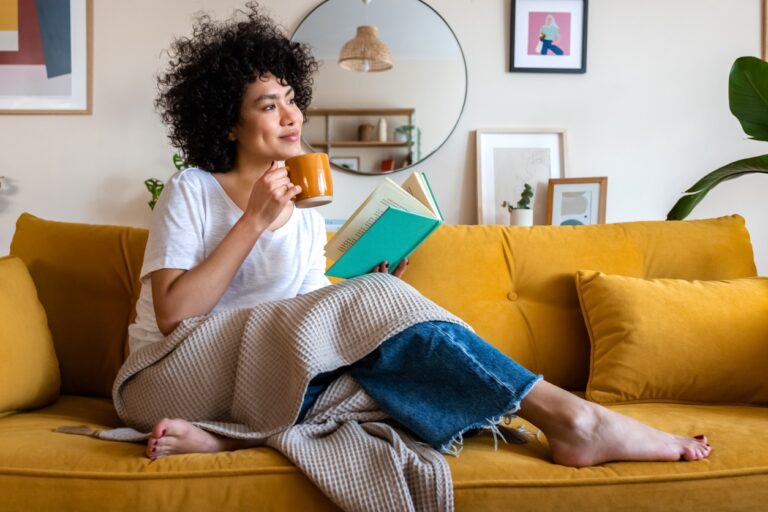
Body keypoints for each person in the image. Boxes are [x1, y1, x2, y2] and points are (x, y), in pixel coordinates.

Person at [126, 2, 711, 468]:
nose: (291, 116)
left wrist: (365, 286)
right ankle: (576, 419)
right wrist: (253, 220)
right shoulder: (193, 190)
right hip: (169, 377)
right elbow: (175, 315)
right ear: (228, 123)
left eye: (293, 100)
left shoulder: (304, 214)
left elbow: (302, 321)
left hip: (258, 379)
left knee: (386, 373)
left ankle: (233, 438)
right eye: (268, 105)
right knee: (380, 353)